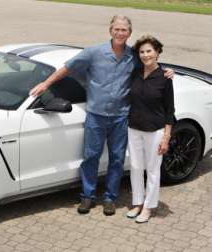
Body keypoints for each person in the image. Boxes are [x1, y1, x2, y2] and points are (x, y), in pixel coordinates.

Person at [30, 15, 173, 216]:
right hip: (96, 115)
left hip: (121, 117)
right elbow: (68, 67)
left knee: (116, 159)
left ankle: (110, 198)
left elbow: (151, 63)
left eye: (124, 30)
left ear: (129, 33)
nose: (120, 33)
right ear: (110, 30)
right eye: (117, 29)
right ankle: (87, 196)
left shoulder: (133, 55)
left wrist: (168, 71)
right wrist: (46, 84)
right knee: (91, 157)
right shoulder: (94, 52)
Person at [126, 35, 174, 223]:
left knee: (153, 169)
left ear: (157, 53)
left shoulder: (165, 78)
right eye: (142, 52)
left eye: (149, 51)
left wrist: (166, 137)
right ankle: (137, 202)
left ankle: (149, 206)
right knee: (136, 167)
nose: (145, 55)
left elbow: (170, 109)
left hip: (155, 131)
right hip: (134, 128)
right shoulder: (135, 73)